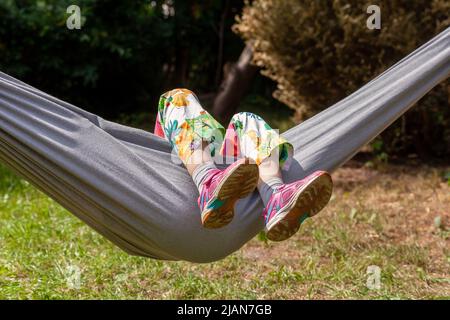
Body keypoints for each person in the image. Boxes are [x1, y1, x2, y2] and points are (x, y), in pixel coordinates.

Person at [154, 89, 333, 241]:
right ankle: (207, 181)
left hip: (216, 167)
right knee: (177, 97)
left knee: (246, 119)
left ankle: (275, 195)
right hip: (171, 169)